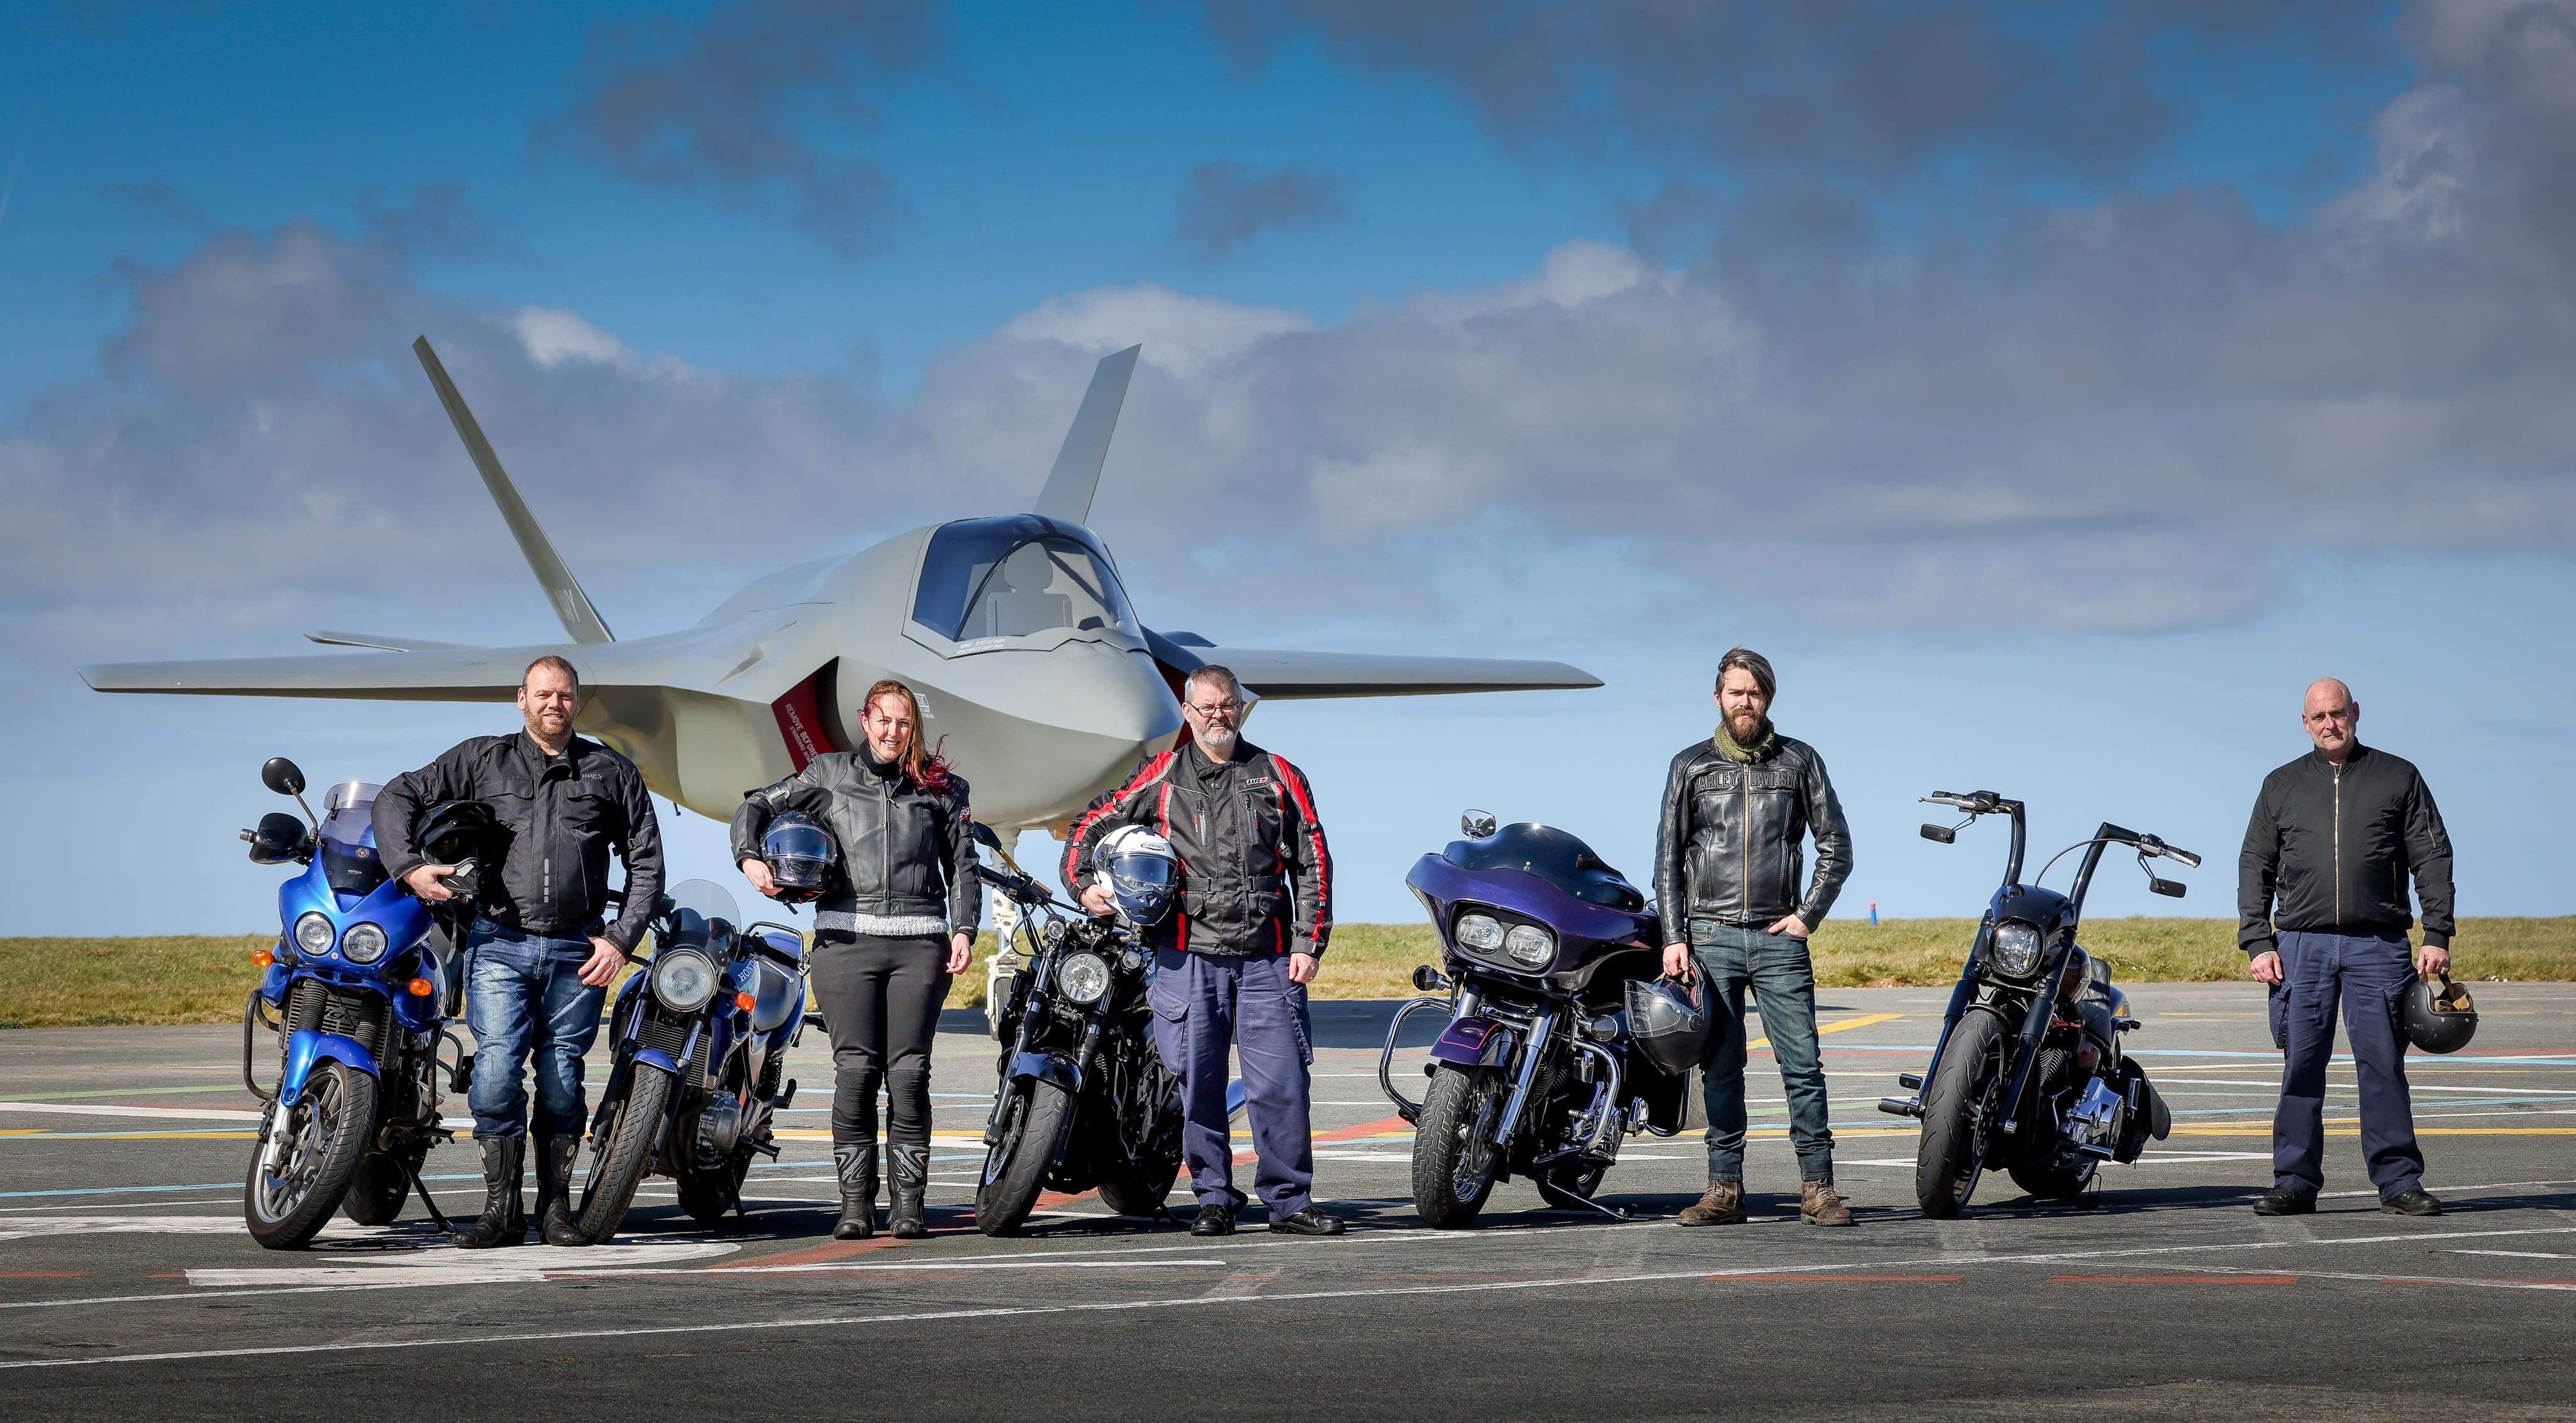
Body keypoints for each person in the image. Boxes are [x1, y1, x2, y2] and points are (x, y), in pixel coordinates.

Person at [374, 656, 664, 1249]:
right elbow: (398, 796)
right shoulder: (482, 758)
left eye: (563, 695)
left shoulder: (611, 771)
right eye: (542, 694)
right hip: (498, 942)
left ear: (577, 701)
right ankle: (500, 1210)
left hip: (577, 952)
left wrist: (619, 939)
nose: (553, 704)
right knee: (498, 1070)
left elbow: (647, 865)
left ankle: (554, 1210)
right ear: (521, 699)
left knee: (561, 1078)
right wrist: (410, 868)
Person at [1063, 665, 1343, 1237]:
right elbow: (1091, 824)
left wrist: (1310, 943)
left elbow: (1314, 858)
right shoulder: (1163, 775)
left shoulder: (1278, 774)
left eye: (1229, 705)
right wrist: (1080, 883)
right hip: (1186, 957)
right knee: (1199, 1084)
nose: (1220, 715)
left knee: (1282, 1085)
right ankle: (1214, 1199)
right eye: (1208, 706)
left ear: (1241, 708)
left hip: (1269, 959)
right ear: (1188, 713)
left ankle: (1290, 1202)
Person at [733, 679, 977, 1240]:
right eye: (884, 720)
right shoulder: (828, 774)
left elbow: (962, 867)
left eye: (904, 723)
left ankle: (910, 1206)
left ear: (913, 727)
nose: (893, 732)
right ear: (865, 721)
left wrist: (964, 929)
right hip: (845, 943)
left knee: (910, 1073)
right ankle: (855, 1207)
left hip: (920, 943)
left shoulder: (943, 788)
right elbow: (755, 805)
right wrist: (751, 858)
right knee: (857, 1072)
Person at [1655, 647, 1855, 1227]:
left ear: (1768, 698)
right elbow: (1667, 860)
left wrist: (1807, 915)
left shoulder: (1799, 762)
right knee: (1720, 1069)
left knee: (1804, 1067)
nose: (1746, 702)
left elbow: (1836, 847)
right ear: (1718, 697)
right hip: (1710, 937)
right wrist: (1675, 936)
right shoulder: (1689, 766)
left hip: (1778, 937)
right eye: (1736, 692)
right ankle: (1724, 1191)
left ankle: (1819, 1188)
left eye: (1756, 692)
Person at [2240, 678, 2455, 1217]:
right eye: (2318, 717)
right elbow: (2254, 866)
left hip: (2378, 944)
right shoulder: (2280, 784)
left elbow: (2431, 856)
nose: (2329, 724)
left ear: (2355, 712)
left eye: (2338, 713)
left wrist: (2437, 933)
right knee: (2301, 1065)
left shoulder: (2398, 776)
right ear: (2305, 722)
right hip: (2300, 946)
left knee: (2383, 1064)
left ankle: (2399, 1181)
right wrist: (2258, 941)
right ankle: (2294, 1181)